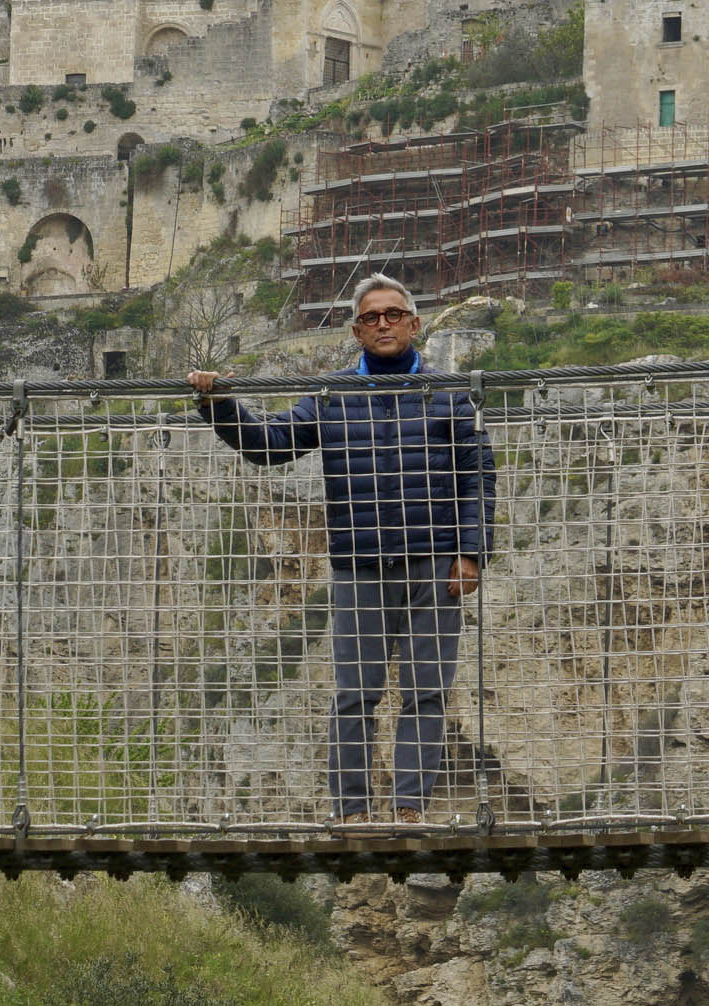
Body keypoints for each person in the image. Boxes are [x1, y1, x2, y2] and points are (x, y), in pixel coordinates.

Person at [186, 274, 493, 826]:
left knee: (426, 694)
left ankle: (407, 810)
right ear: (356, 330)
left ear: (414, 323)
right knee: (355, 695)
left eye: (393, 314)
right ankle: (352, 813)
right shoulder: (332, 396)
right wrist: (220, 405)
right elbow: (272, 445)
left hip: (434, 561)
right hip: (359, 568)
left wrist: (471, 552)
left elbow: (477, 477)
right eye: (371, 317)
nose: (383, 324)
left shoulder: (449, 392)